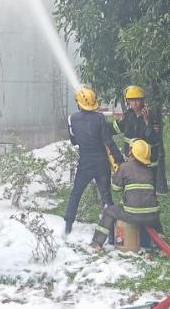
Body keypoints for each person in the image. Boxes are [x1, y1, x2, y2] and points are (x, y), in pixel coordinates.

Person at [64, 86, 125, 235]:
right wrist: (120, 160)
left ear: (79, 103)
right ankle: (111, 231)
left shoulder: (72, 119)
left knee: (76, 193)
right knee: (106, 196)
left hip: (85, 163)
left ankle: (68, 226)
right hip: (101, 163)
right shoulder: (99, 118)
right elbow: (108, 142)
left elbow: (73, 141)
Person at [111, 85, 163, 247]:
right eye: (130, 100)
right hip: (131, 161)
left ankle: (156, 235)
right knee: (130, 192)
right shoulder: (128, 116)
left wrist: (147, 122)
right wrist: (100, 125)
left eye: (136, 100)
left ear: (142, 101)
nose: (133, 103)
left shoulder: (151, 116)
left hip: (148, 164)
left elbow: (154, 139)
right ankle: (135, 230)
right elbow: (117, 128)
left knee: (147, 195)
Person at [91, 139, 162, 250]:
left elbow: (116, 188)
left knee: (108, 211)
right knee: (156, 221)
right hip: (152, 216)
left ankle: (97, 244)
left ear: (131, 152)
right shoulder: (149, 171)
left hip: (131, 214)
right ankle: (161, 247)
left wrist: (117, 174)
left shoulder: (124, 167)